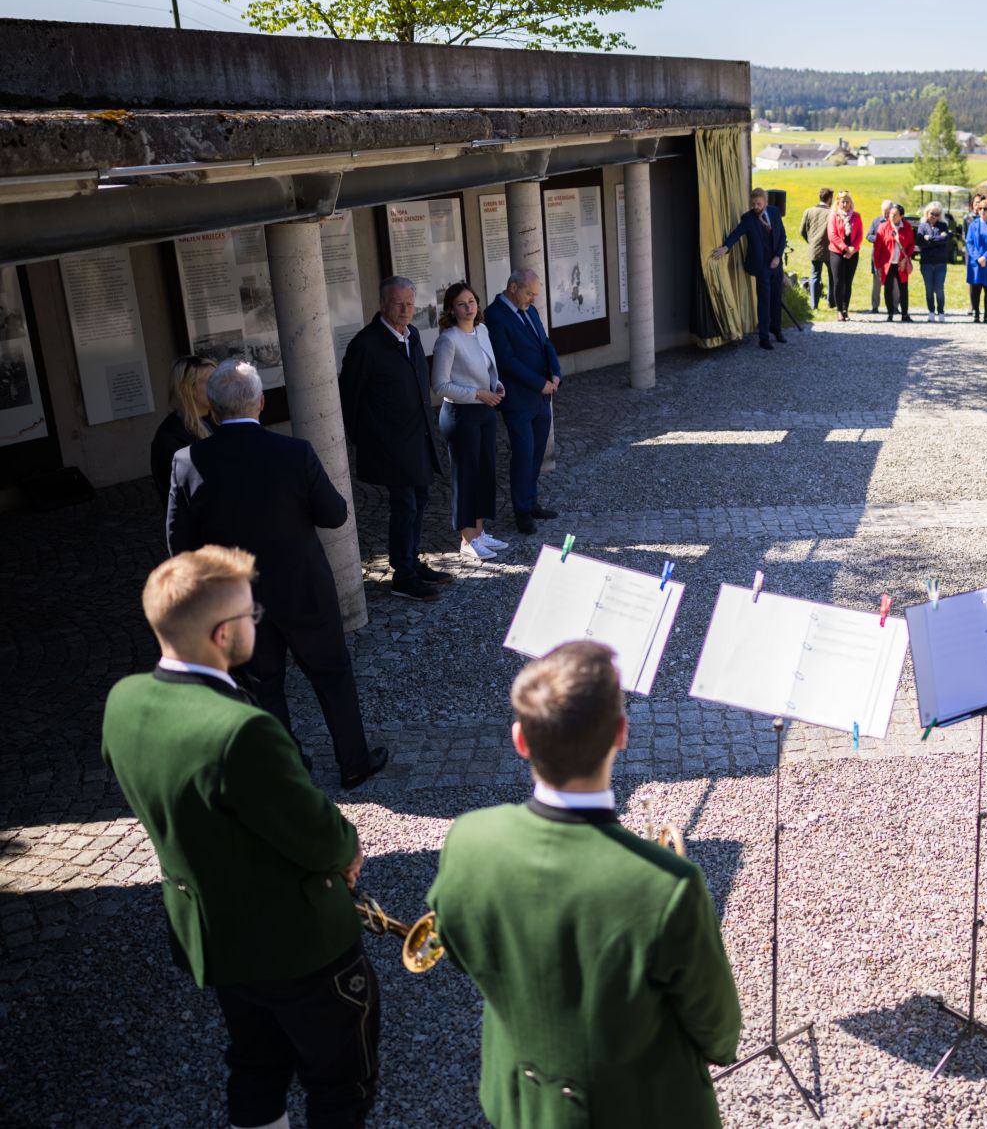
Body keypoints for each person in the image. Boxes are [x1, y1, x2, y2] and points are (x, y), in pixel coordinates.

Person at [104, 547, 380, 1129]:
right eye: (252, 612)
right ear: (224, 634)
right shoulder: (241, 730)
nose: (259, 618)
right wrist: (349, 846)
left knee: (255, 1067)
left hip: (216, 938)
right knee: (340, 1084)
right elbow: (319, 837)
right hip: (297, 944)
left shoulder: (123, 701)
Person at [427, 641, 742, 1128]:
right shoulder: (668, 886)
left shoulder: (467, 840)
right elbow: (718, 1030)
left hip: (522, 1102)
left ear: (520, 740)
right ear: (621, 734)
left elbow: (460, 943)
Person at [170, 359, 389, 788]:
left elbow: (179, 546)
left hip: (237, 600)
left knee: (262, 687)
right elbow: (335, 514)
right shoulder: (294, 453)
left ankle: (286, 769)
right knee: (331, 675)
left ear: (211, 410)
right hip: (303, 589)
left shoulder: (186, 461)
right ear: (262, 403)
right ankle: (354, 761)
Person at [339, 274, 446, 598]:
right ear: (383, 304)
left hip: (417, 438)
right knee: (406, 504)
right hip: (389, 443)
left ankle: (412, 560)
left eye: (410, 303)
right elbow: (349, 397)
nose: (405, 309)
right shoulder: (366, 344)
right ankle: (403, 575)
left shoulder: (411, 335)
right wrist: (365, 438)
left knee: (423, 497)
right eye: (398, 304)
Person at [483, 269, 563, 535]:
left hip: (542, 396)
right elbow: (506, 360)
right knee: (523, 454)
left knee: (537, 453)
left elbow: (545, 344)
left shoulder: (529, 310)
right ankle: (521, 512)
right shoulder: (494, 315)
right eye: (529, 293)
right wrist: (539, 383)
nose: (532, 299)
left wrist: (555, 372)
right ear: (513, 287)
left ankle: (531, 502)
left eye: (534, 295)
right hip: (518, 399)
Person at [431, 281, 507, 562]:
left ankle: (479, 531)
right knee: (465, 476)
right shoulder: (448, 339)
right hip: (461, 414)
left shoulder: (482, 330)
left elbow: (489, 368)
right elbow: (439, 385)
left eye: (472, 301)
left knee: (485, 471)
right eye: (461, 304)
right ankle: (466, 540)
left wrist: (497, 386)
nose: (468, 308)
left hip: (485, 410)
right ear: (451, 309)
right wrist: (478, 393)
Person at [711, 187, 788, 349]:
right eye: (753, 204)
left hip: (776, 264)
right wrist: (725, 248)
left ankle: (777, 330)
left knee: (776, 298)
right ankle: (764, 338)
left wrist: (778, 257)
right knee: (764, 301)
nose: (755, 207)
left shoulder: (774, 212)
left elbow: (782, 237)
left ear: (765, 202)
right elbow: (736, 234)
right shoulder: (747, 219)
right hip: (761, 267)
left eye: (758, 203)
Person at [150, 353, 216, 504]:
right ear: (189, 389)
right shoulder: (171, 437)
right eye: (211, 382)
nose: (220, 386)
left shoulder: (218, 420)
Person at [874, 202, 916, 323]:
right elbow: (877, 249)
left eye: (895, 214)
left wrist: (905, 258)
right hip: (887, 264)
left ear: (901, 216)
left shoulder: (907, 227)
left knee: (904, 289)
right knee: (888, 289)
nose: (892, 216)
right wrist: (878, 265)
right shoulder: (883, 227)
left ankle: (905, 314)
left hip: (901, 264)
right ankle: (890, 314)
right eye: (891, 213)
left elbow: (911, 245)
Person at [914, 200, 954, 323]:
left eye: (937, 214)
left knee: (939, 289)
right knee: (929, 289)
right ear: (927, 213)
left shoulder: (943, 225)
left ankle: (941, 311)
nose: (934, 217)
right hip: (926, 263)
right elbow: (920, 242)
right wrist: (936, 239)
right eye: (932, 213)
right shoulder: (922, 226)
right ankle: (931, 311)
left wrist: (929, 238)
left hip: (940, 263)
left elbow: (944, 240)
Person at [826, 190, 862, 322]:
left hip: (853, 253)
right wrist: (845, 248)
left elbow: (859, 235)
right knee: (838, 282)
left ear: (851, 203)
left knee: (848, 282)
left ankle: (846, 308)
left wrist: (853, 249)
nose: (845, 204)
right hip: (837, 252)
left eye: (847, 201)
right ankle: (839, 310)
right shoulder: (833, 216)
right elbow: (832, 235)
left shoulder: (856, 216)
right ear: (838, 203)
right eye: (843, 202)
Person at [799, 186, 833, 310]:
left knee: (814, 276)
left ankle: (814, 305)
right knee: (832, 276)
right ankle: (831, 302)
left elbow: (802, 230)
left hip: (814, 249)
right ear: (829, 198)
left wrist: (811, 242)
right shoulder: (832, 212)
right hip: (830, 250)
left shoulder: (808, 211)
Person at [867, 198, 894, 314]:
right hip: (877, 256)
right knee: (876, 283)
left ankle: (894, 306)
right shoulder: (876, 221)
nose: (886, 214)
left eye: (888, 211)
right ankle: (875, 306)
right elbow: (868, 236)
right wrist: (877, 239)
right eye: (884, 211)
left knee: (894, 283)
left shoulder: (895, 221)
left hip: (892, 256)